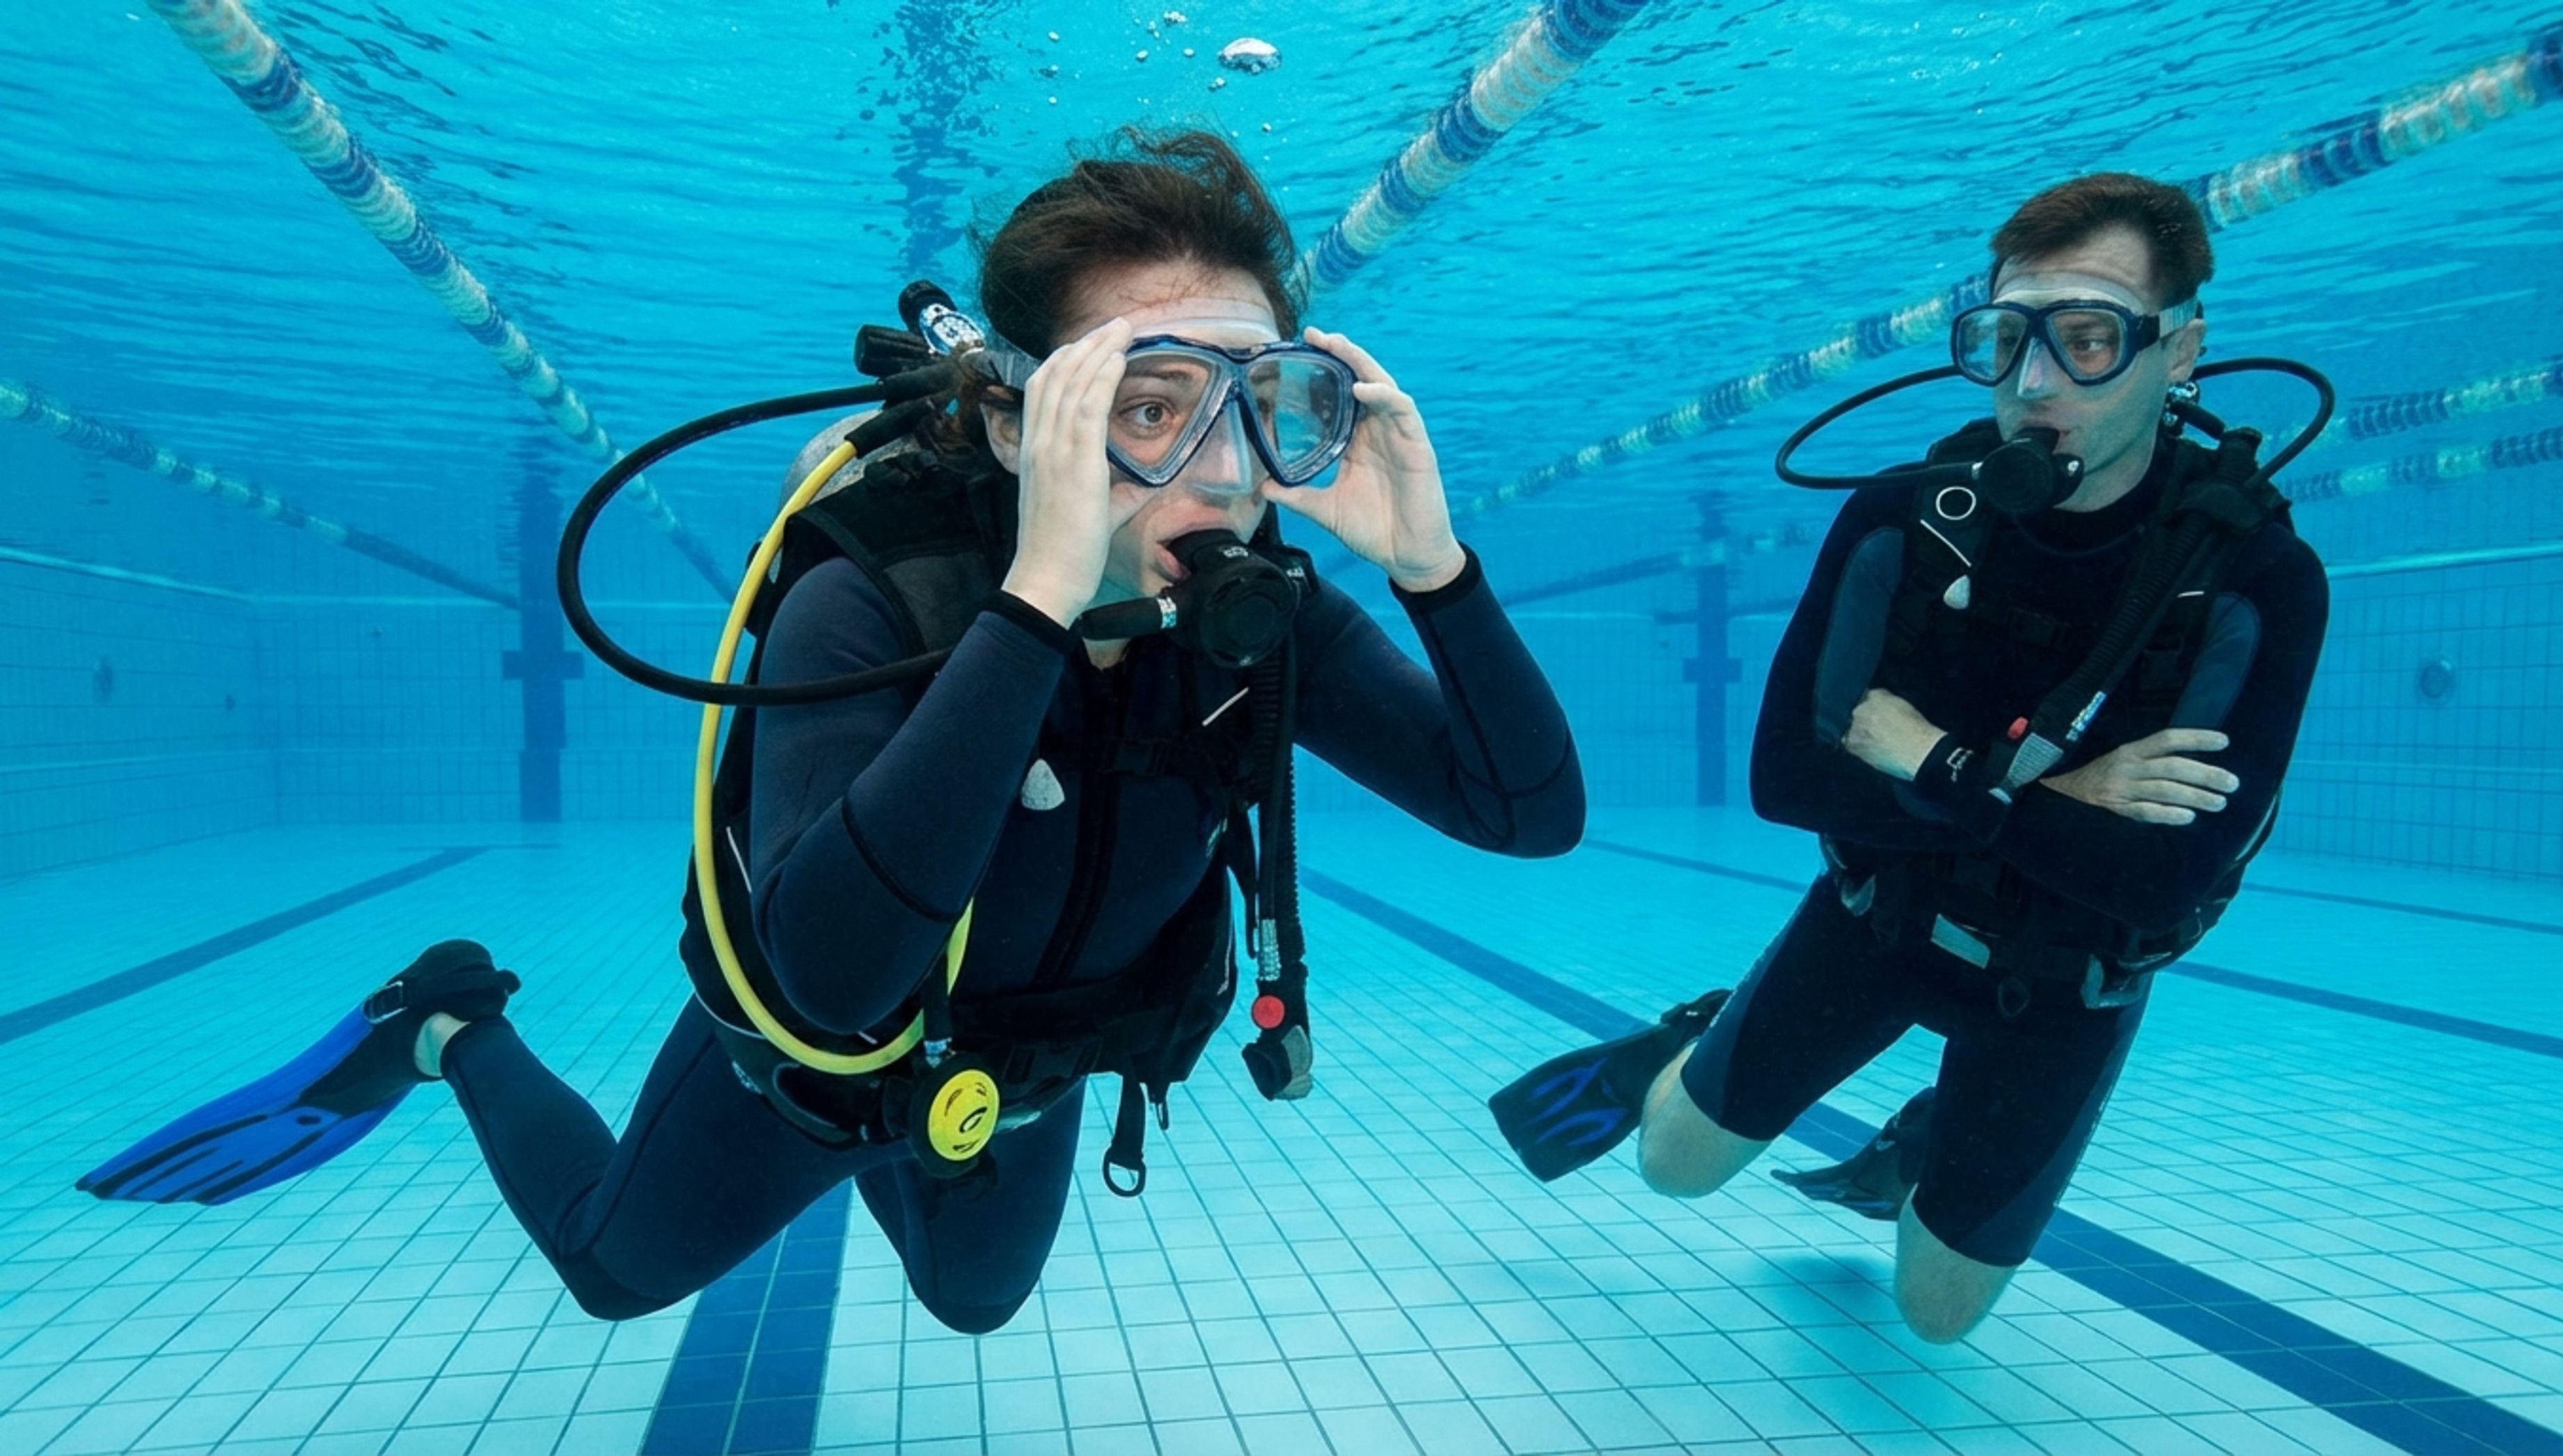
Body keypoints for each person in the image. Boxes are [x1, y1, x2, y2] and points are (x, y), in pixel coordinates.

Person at [80, 128, 1585, 1334]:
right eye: (1149, 404)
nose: (1222, 467)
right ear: (1021, 424)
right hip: (805, 1068)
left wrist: (1432, 568)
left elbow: (1526, 813)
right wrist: (1043, 597)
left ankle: (903, 1157)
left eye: (1263, 404)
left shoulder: (1256, 621)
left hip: (1026, 1068)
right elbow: (831, 969)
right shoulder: (883, 600)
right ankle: (447, 1024)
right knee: (614, 1272)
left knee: (973, 1300)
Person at [1492, 172, 2327, 1343]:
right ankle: (1698, 1038)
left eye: (2087, 340)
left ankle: (1922, 1143)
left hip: (2066, 983)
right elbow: (1785, 778)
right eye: (2005, 339)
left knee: (1935, 1317)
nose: (2034, 385)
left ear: (2180, 350)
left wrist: (1933, 760)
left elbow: (2168, 879)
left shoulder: (2254, 581)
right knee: (1672, 1168)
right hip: (1879, 918)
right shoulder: (1906, 522)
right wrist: (2056, 793)